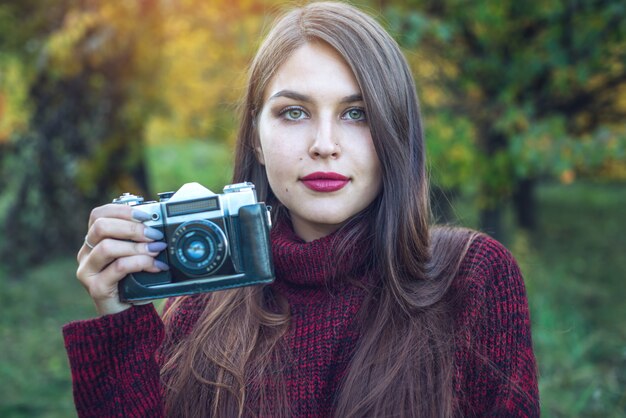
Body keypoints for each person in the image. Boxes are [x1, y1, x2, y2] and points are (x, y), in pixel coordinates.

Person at [64, 2, 539, 417]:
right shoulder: (203, 300)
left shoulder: (472, 278)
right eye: (294, 112)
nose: (324, 145)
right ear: (256, 134)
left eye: (358, 114)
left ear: (397, 131)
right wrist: (119, 321)